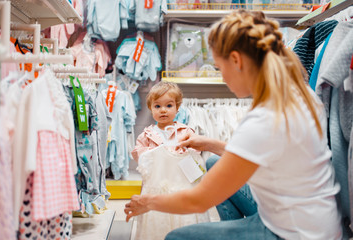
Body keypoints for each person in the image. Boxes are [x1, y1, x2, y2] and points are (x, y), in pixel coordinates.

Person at [125, 9, 343, 240]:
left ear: (237, 60)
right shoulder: (298, 93)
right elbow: (253, 156)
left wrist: (147, 202)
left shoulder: (263, 118)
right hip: (319, 221)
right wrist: (207, 143)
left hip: (293, 234)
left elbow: (198, 201)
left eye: (220, 68)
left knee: (178, 237)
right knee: (214, 162)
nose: (223, 78)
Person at [131, 81, 210, 240]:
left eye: (169, 105)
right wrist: (157, 154)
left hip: (182, 185)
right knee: (157, 222)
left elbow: (196, 156)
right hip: (157, 186)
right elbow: (139, 155)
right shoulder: (146, 135)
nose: (163, 110)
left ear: (177, 107)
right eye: (157, 106)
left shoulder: (186, 133)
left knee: (182, 220)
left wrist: (182, 152)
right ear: (151, 108)